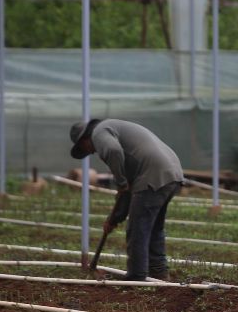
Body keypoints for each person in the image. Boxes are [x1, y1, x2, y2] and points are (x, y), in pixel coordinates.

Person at [69, 118, 184, 281]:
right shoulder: (115, 129)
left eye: (86, 149)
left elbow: (113, 151)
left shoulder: (99, 132)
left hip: (153, 173)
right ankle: (159, 272)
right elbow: (127, 193)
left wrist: (120, 182)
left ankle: (136, 276)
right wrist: (114, 219)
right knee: (153, 228)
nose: (92, 152)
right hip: (172, 173)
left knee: (138, 228)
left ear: (84, 139)